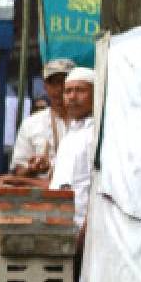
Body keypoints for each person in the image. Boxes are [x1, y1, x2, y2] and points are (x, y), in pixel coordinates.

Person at [48, 66, 96, 235]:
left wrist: (84, 235)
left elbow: (97, 192)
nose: (72, 97)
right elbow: (57, 184)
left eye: (80, 91)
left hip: (84, 231)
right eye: (68, 91)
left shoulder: (97, 134)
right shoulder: (70, 135)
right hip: (60, 227)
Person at [11, 58, 77, 178]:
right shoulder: (31, 124)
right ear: (45, 86)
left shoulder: (89, 123)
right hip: (44, 194)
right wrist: (32, 169)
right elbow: (17, 171)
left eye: (64, 82)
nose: (59, 88)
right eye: (53, 83)